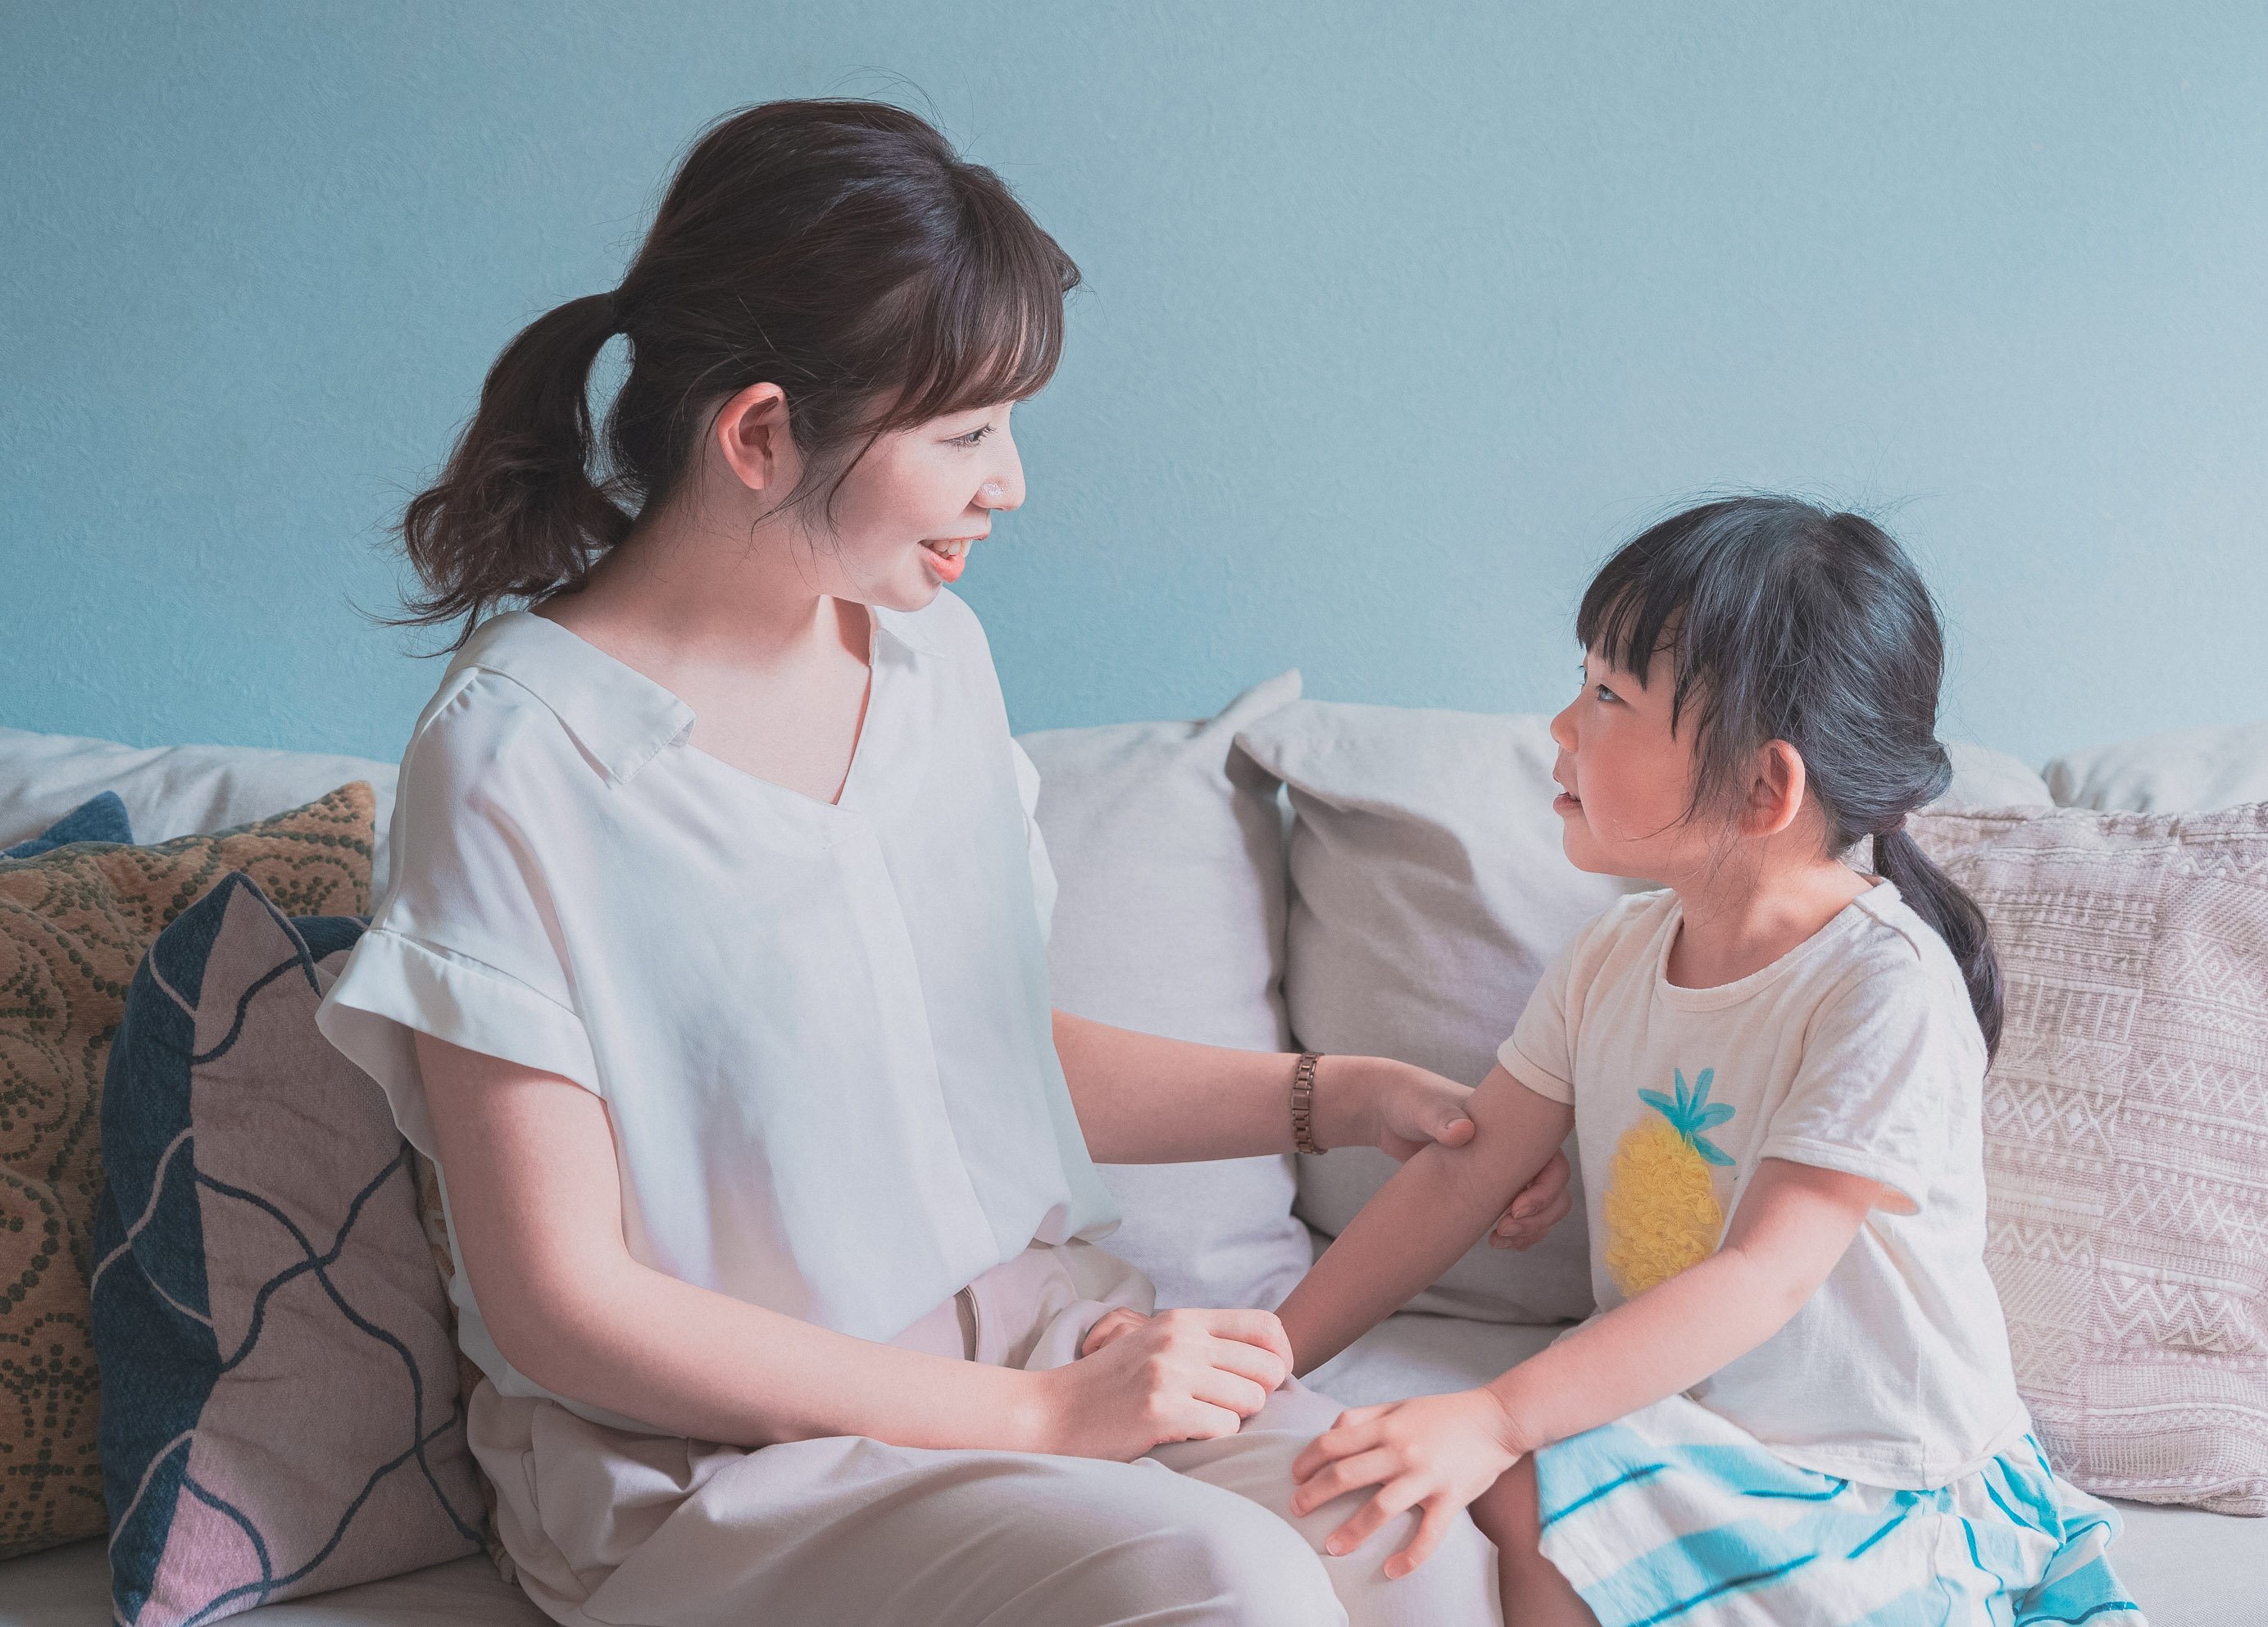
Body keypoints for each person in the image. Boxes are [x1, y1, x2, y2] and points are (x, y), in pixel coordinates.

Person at [317, 98, 1572, 1627]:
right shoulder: (518, 752)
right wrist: (1047, 1430)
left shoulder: (933, 662)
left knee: (1413, 1550)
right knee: (1229, 1585)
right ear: (763, 434)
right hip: (730, 1467)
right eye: (967, 431)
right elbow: (563, 1304)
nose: (1012, 482)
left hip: (1038, 1342)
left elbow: (975, 1057)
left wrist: (1337, 1095)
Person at [1262, 498, 2148, 1625]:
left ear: (1762, 788)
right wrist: (1271, 1352)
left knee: (1526, 1472)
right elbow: (1462, 1170)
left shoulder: (1883, 986)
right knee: (1507, 1480)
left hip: (1879, 1491)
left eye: (1608, 698)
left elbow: (1767, 1275)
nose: (1560, 727)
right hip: (1706, 1439)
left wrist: (1493, 1416)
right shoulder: (1614, 954)